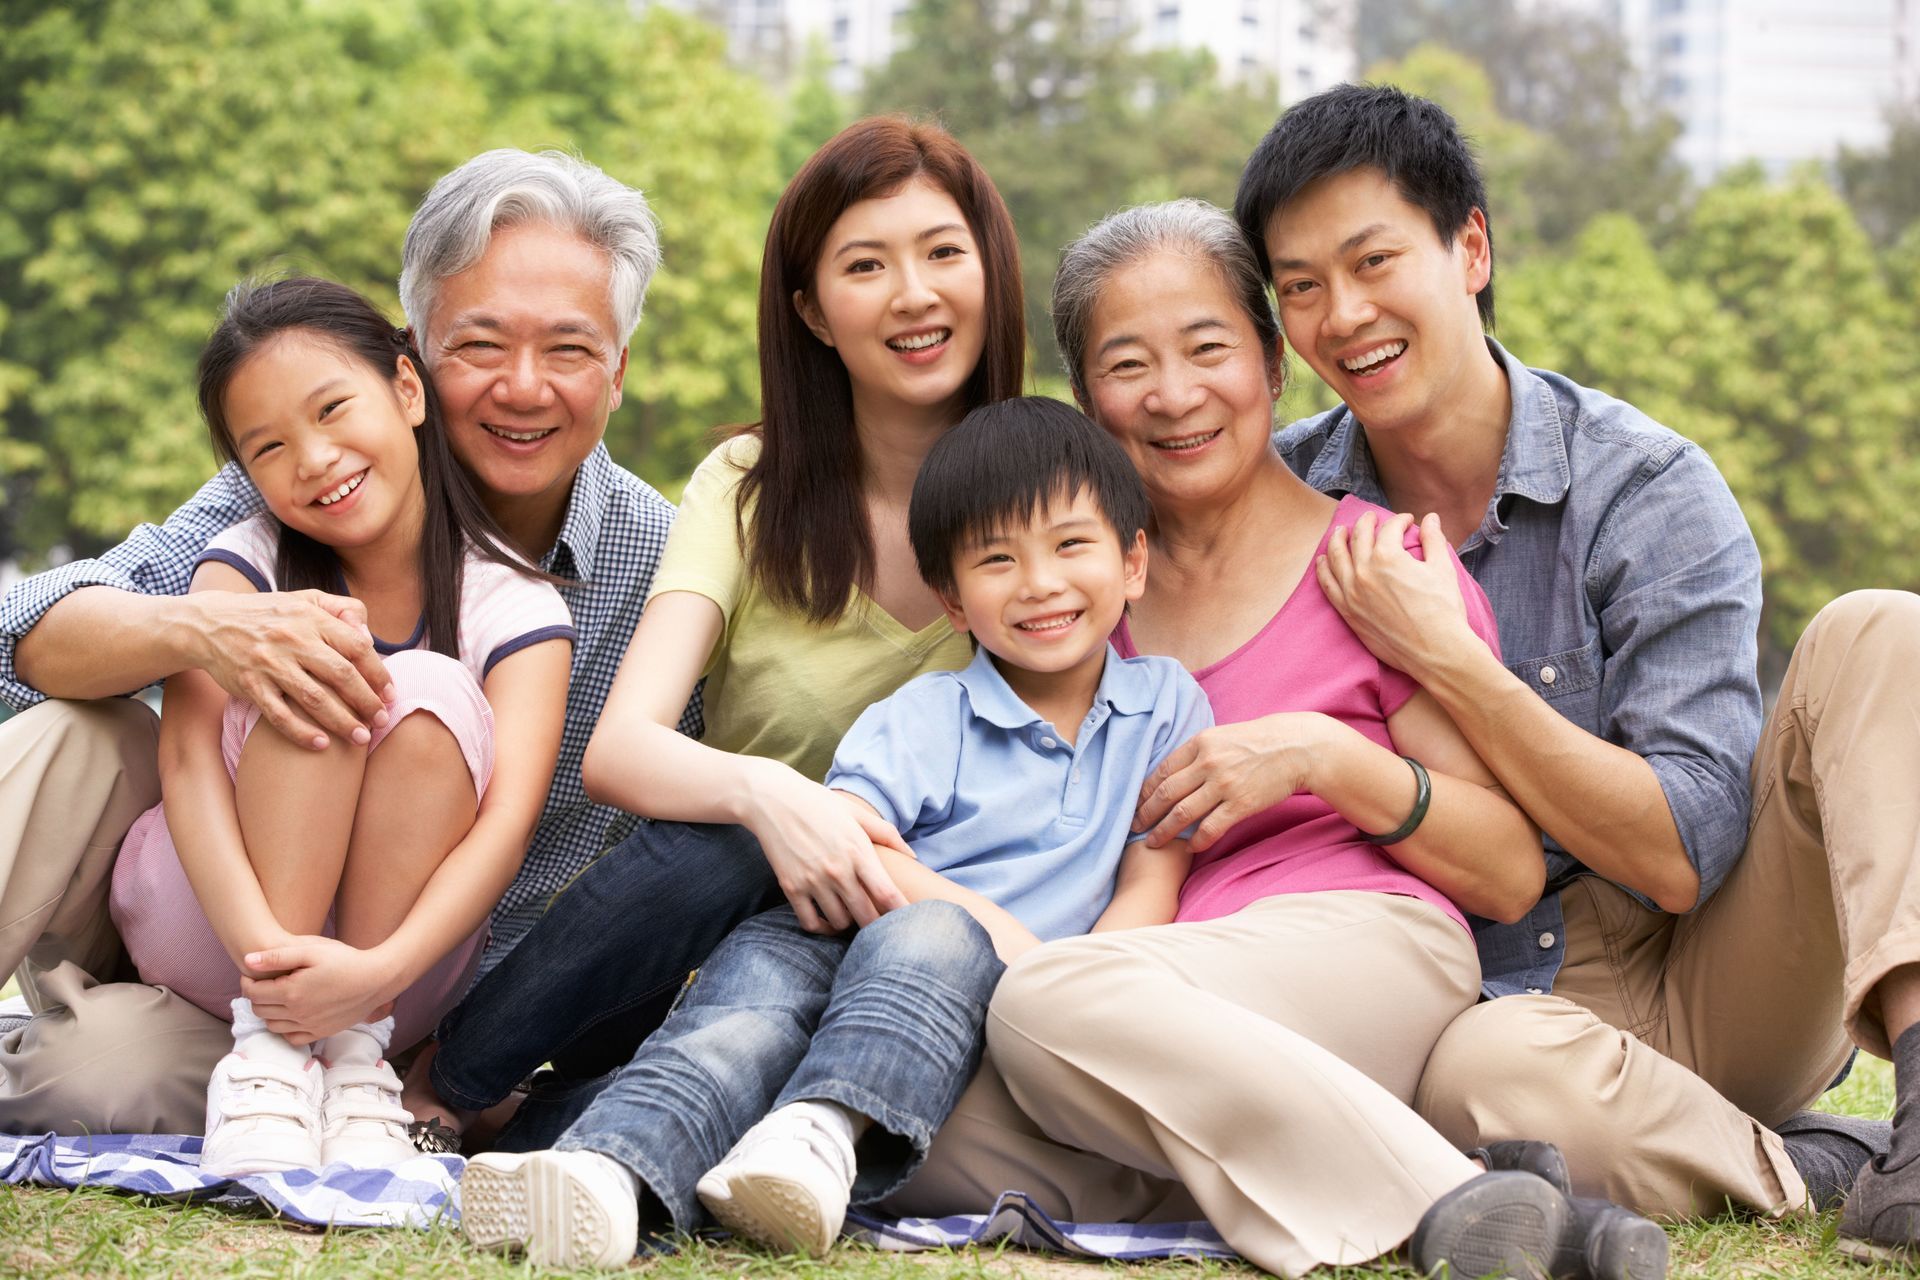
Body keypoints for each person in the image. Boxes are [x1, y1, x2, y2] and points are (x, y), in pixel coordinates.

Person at [875, 200, 1670, 1280]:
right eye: (1127, 364)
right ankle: (1501, 1208)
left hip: (1357, 942)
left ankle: (1440, 1195)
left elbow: (1506, 868)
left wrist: (1325, 757)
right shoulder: (1061, 600)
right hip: (1146, 1004)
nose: (1173, 393)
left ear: (1272, 362)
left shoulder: (1378, 566)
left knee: (1048, 1003)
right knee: (915, 1122)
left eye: (1209, 347)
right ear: (1087, 396)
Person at [1234, 82, 1915, 1255]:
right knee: (1483, 1081)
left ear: (1472, 247)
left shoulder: (1643, 488)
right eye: (1300, 286)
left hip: (1714, 963)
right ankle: (1810, 1161)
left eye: (1372, 260)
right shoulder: (1283, 503)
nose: (1342, 315)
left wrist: (1449, 660)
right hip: (1498, 1007)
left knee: (1880, 629)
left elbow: (1681, 854)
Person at [0, 148, 690, 1137]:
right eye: (481, 344)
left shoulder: (659, 565)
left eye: (571, 351)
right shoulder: (304, 467)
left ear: (619, 371)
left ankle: (277, 1077)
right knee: (70, 732)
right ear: (412, 358)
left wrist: (445, 1042)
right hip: (203, 905)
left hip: (394, 1012)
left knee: (99, 1078)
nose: (523, 388)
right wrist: (207, 628)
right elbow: (27, 631)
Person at [457, 398, 1211, 1267]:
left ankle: (808, 1134)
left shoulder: (1166, 707)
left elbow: (1152, 879)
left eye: (1071, 545)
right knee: (741, 1028)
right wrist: (1003, 939)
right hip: (836, 930)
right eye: (998, 559)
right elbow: (858, 851)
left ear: (1134, 560)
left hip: (974, 997)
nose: (1039, 583)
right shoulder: (928, 714)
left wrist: (1070, 990)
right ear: (953, 602)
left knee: (922, 956)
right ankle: (598, 1171)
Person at [403, 115, 1028, 1154]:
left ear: (993, 274)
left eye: (943, 253)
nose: (914, 294)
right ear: (812, 311)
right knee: (724, 841)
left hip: (929, 939)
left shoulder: (1060, 500)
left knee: (746, 1077)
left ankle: (548, 1130)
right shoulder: (748, 491)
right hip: (731, 919)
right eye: (866, 264)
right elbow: (621, 747)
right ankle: (448, 1081)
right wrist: (773, 794)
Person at [110, 277, 573, 1174]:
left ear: (407, 391)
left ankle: (356, 1067)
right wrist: (270, 971)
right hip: (215, 921)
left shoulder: (510, 599)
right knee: (311, 644)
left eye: (332, 411)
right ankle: (270, 1056)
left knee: (426, 686)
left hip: (396, 973)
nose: (314, 459)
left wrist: (375, 976)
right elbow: (188, 759)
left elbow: (509, 823)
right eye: (270, 447)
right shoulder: (246, 562)